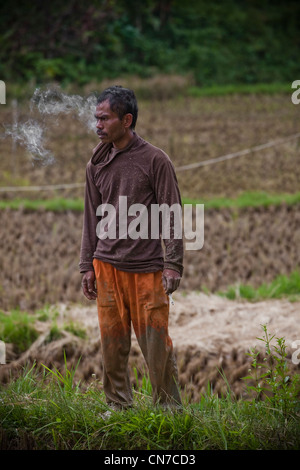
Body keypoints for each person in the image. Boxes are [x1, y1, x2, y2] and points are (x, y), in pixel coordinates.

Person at [79, 85, 184, 411]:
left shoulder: (155, 160)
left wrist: (173, 264)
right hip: (106, 267)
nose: (98, 125)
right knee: (112, 346)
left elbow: (173, 213)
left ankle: (169, 413)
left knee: (156, 348)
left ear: (126, 120)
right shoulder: (95, 164)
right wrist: (86, 266)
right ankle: (117, 407)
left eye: (104, 118)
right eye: (96, 118)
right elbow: (90, 218)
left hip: (147, 270)